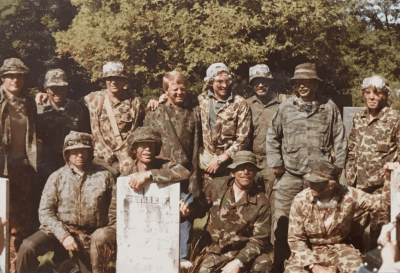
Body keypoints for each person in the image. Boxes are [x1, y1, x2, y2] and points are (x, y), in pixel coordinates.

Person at [266, 63, 347, 272]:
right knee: (282, 222)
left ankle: (312, 265)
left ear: (315, 84)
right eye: (298, 82)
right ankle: (280, 264)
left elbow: (339, 137)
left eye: (306, 82)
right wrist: (276, 163)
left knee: (320, 224)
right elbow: (272, 136)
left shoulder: (328, 107)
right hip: (291, 174)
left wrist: (338, 166)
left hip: (319, 178)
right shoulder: (285, 108)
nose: (302, 86)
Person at [16, 131, 116, 273]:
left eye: (83, 151)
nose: (80, 155)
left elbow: (114, 211)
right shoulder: (56, 177)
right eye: (74, 151)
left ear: (89, 152)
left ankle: (68, 265)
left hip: (91, 236)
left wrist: (102, 235)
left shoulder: (105, 176)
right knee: (27, 247)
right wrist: (63, 235)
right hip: (61, 230)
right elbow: (45, 211)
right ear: (67, 154)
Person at [284, 159, 391, 273]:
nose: (311, 185)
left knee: (359, 270)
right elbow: (295, 239)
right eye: (310, 181)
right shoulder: (301, 200)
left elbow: (383, 205)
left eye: (317, 183)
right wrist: (314, 267)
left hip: (339, 248)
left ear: (331, 184)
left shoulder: (350, 195)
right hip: (309, 250)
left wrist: (389, 179)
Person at [116, 126, 197, 267]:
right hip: (137, 228)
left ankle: (182, 258)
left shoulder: (164, 165)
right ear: (134, 149)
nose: (147, 150)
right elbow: (114, 209)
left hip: (163, 224)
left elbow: (184, 172)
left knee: (186, 205)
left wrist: (150, 175)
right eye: (142, 146)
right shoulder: (126, 175)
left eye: (151, 146)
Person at [143, 71, 201, 267]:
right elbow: (146, 141)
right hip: (162, 171)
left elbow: (195, 146)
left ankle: (183, 257)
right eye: (174, 89)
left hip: (185, 172)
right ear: (165, 91)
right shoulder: (155, 111)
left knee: (184, 214)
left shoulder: (193, 113)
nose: (179, 93)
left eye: (183, 89)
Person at [191, 151, 273, 273]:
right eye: (241, 168)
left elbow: (260, 240)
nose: (245, 172)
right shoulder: (217, 186)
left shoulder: (262, 202)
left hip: (244, 252)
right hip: (215, 251)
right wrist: (187, 209)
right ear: (233, 171)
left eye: (250, 169)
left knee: (264, 265)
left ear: (255, 172)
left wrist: (238, 262)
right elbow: (198, 209)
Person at [345, 75, 400, 249]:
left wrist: (396, 167)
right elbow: (352, 146)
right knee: (353, 232)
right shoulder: (359, 117)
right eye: (367, 93)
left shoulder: (395, 118)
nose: (371, 97)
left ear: (385, 95)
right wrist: (349, 168)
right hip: (358, 187)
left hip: (381, 188)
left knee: (380, 236)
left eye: (377, 93)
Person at [0, 57, 37, 271]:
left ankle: (15, 266)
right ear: (3, 77)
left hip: (21, 167)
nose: (15, 79)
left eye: (19, 76)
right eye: (11, 76)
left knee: (20, 221)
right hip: (0, 167)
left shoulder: (28, 101)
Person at [198, 62, 251, 198]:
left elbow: (243, 138)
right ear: (210, 82)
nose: (224, 85)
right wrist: (159, 100)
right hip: (207, 166)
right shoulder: (201, 100)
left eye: (227, 80)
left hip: (230, 166)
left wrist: (222, 159)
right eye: (219, 81)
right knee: (207, 203)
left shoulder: (239, 103)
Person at [84, 61, 145, 174]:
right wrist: (44, 95)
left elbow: (142, 125)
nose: (113, 82)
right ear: (105, 81)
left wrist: (160, 99)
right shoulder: (94, 99)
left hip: (127, 155)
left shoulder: (135, 101)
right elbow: (70, 106)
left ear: (124, 81)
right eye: (109, 79)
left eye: (117, 79)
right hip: (102, 155)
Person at [36, 68, 90, 179]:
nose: (57, 91)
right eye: (53, 88)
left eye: (61, 87)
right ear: (46, 89)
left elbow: (86, 137)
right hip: (45, 165)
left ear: (66, 88)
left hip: (73, 163)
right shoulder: (37, 110)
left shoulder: (79, 109)